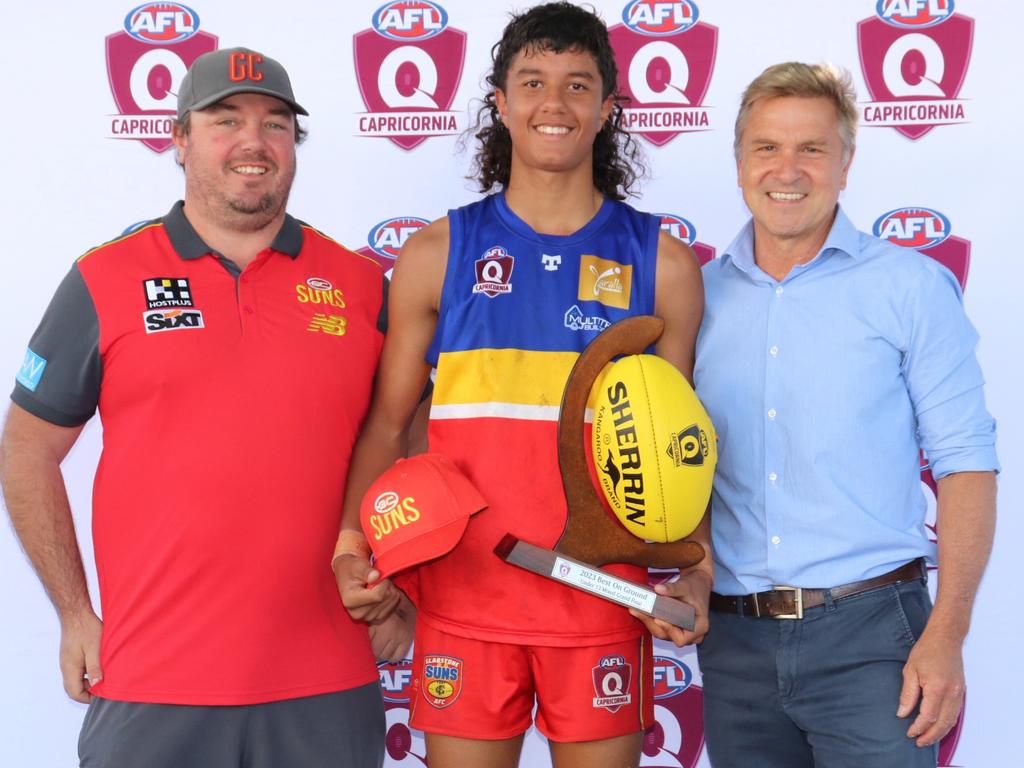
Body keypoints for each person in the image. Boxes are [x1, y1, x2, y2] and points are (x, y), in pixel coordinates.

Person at [331, 3, 710, 767]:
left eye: (577, 85)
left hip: (603, 601)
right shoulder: (438, 254)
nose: (553, 104)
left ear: (607, 108)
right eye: (532, 82)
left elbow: (682, 449)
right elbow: (386, 425)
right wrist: (351, 545)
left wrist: (696, 570)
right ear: (500, 103)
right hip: (463, 601)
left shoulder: (663, 265)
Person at [0, 47, 387, 767]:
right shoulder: (104, 277)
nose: (254, 141)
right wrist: (73, 612)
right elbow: (26, 447)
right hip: (152, 680)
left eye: (275, 123)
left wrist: (404, 587)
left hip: (326, 682)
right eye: (225, 120)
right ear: (179, 139)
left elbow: (406, 443)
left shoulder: (362, 286)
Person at [658, 62, 998, 768]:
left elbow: (967, 465)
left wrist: (948, 634)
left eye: (812, 148)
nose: (788, 169)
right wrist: (691, 569)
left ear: (845, 163)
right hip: (736, 643)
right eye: (766, 148)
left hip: (874, 639)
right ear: (739, 162)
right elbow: (678, 460)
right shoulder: (697, 297)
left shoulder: (909, 287)